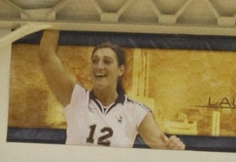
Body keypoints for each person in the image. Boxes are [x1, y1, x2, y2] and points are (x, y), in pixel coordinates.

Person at [35, 29, 185, 149]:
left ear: (120, 70)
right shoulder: (75, 99)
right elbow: (47, 56)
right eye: (95, 61)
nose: (99, 66)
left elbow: (165, 149)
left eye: (106, 61)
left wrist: (174, 147)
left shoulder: (135, 111)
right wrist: (53, 18)